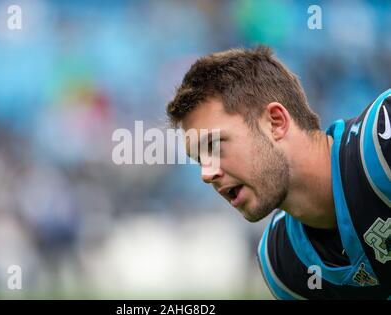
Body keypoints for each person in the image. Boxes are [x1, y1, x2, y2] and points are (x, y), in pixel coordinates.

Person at [166, 46, 390, 299]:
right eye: (199, 160)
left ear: (276, 122)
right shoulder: (283, 265)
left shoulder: (382, 141)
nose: (206, 175)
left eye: (214, 146)